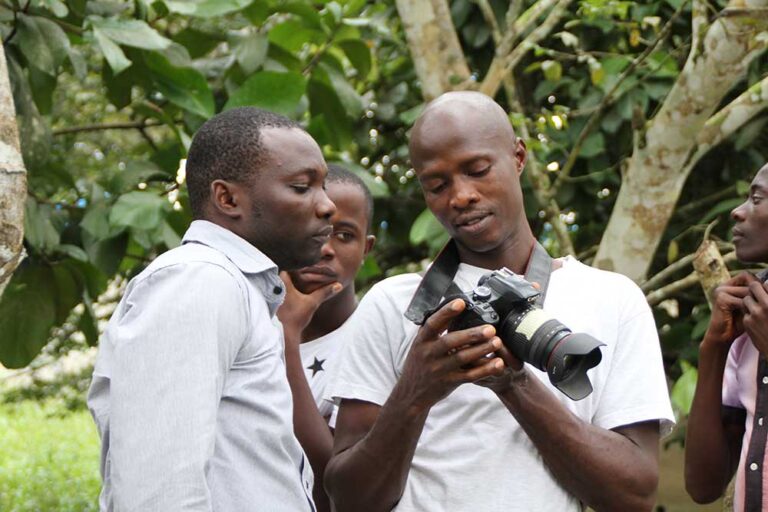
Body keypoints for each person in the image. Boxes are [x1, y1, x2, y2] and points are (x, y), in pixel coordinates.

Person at [324, 91, 674, 512]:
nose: (461, 196)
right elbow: (348, 499)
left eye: (477, 170)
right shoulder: (394, 303)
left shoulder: (613, 299)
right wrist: (416, 390)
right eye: (437, 185)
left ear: (519, 157)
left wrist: (513, 383)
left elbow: (634, 496)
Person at [87, 107, 336, 511]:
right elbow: (160, 494)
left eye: (322, 186)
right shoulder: (199, 281)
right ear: (228, 198)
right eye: (301, 186)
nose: (327, 206)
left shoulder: (237, 288)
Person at [276, 164, 376, 512]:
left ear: (367, 248)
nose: (325, 248)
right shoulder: (248, 324)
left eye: (344, 235)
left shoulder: (376, 338)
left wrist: (288, 337)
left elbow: (330, 486)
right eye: (311, 229)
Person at [685, 164, 768, 511]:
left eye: (757, 198)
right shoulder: (748, 315)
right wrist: (714, 348)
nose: (737, 210)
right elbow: (704, 485)